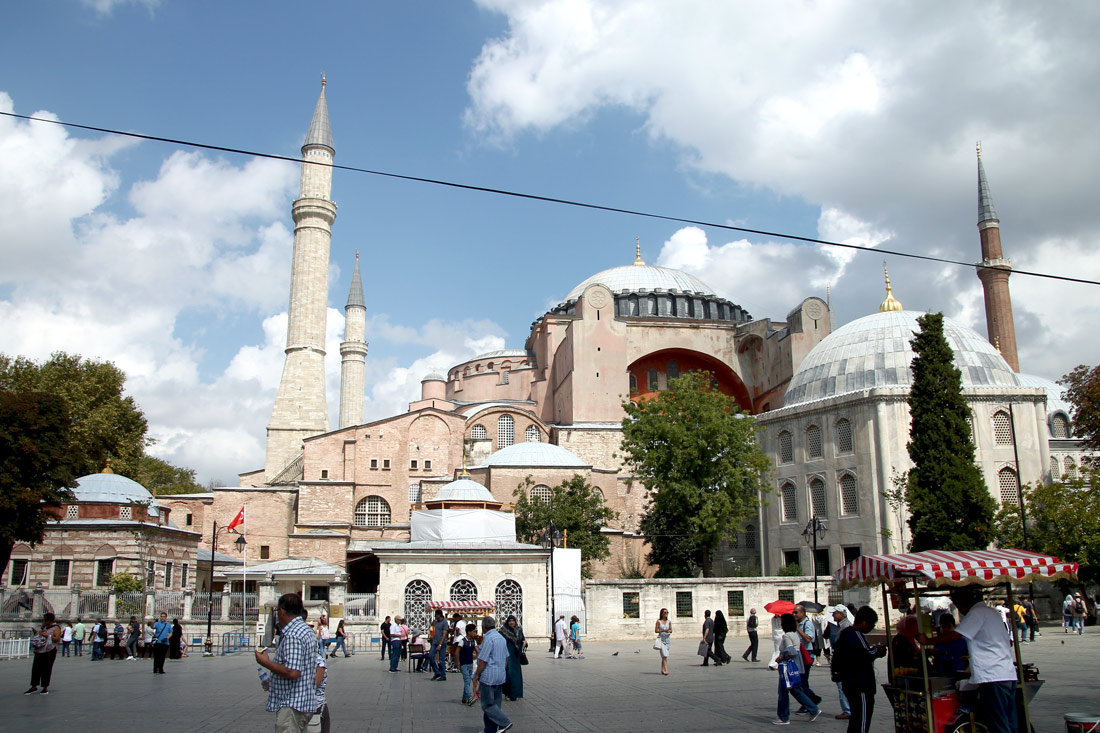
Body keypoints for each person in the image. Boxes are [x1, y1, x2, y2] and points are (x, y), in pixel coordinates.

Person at [920, 586, 1017, 733]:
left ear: (965, 603)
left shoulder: (977, 613)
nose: (960, 611)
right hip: (1006, 674)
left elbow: (955, 635)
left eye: (959, 606)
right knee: (1008, 722)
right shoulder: (992, 612)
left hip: (993, 676)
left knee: (999, 724)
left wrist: (928, 641)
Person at [256, 593, 319, 732]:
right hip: (303, 701)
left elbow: (293, 672)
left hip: (292, 705)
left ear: (282, 611)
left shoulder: (293, 635)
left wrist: (265, 662)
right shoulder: (306, 631)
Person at [832, 605, 888, 733]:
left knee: (855, 720)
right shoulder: (855, 635)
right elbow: (866, 654)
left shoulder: (845, 634)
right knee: (861, 720)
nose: (871, 628)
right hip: (860, 685)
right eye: (871, 625)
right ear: (864, 623)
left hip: (849, 683)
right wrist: (878, 650)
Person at [774, 613, 821, 724]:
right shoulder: (794, 634)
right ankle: (813, 709)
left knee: (783, 693)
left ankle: (784, 717)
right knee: (795, 691)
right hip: (796, 666)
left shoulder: (787, 636)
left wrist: (781, 657)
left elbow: (792, 651)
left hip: (788, 667)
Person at [472, 616, 513, 733]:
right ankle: (490, 729)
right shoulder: (501, 638)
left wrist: (477, 675)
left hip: (489, 676)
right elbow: (506, 657)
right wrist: (501, 669)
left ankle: (504, 723)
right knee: (495, 704)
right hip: (500, 675)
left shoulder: (488, 639)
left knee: (487, 705)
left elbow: (483, 660)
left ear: (484, 627)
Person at [792, 604, 823, 712]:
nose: (794, 614)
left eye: (796, 612)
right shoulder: (798, 624)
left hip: (806, 655)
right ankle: (810, 701)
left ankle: (811, 700)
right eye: (793, 612)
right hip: (799, 655)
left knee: (802, 681)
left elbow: (808, 639)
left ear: (802, 613)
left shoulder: (807, 624)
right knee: (801, 681)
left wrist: (798, 629)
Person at [24, 612, 63, 695]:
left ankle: (45, 687)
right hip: (40, 650)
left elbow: (57, 639)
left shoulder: (56, 627)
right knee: (36, 668)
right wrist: (37, 633)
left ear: (50, 620)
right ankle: (33, 686)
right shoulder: (44, 627)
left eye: (45, 620)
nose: (44, 621)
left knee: (46, 669)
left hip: (50, 650)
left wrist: (47, 636)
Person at [826, 607, 852, 720]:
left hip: (844, 662)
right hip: (843, 660)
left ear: (841, 614)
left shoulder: (846, 627)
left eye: (835, 614)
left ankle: (847, 710)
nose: (833, 616)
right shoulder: (841, 626)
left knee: (842, 686)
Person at [500, 614, 527, 700]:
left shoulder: (518, 630)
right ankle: (508, 694)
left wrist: (524, 642)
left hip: (516, 656)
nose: (511, 622)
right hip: (507, 655)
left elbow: (522, 639)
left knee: (516, 675)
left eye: (513, 621)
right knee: (509, 673)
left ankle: (515, 693)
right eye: (510, 621)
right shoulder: (503, 631)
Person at [454, 622, 479, 706]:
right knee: (467, 680)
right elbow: (457, 653)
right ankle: (469, 697)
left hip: (470, 663)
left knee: (467, 681)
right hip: (464, 664)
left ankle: (464, 698)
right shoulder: (462, 641)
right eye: (474, 632)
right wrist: (458, 663)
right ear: (469, 632)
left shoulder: (473, 642)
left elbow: (477, 651)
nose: (475, 633)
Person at [428, 608, 449, 681]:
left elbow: (444, 633)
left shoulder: (444, 622)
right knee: (430, 656)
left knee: (442, 659)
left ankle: (443, 675)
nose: (435, 616)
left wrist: (440, 644)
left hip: (442, 643)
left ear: (438, 615)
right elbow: (432, 628)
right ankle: (436, 672)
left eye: (435, 615)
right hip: (435, 642)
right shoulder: (436, 622)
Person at [655, 607, 672, 675]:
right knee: (664, 655)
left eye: (667, 612)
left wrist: (668, 631)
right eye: (665, 612)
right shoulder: (658, 621)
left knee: (664, 655)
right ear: (661, 614)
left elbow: (671, 630)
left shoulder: (669, 622)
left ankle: (662, 669)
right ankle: (666, 669)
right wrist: (662, 630)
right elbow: (656, 630)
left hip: (667, 639)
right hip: (661, 639)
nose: (666, 614)